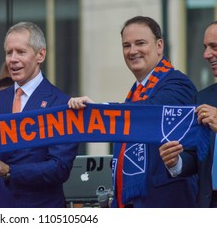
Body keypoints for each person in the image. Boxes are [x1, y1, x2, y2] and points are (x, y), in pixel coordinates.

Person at [68, 16, 198, 208]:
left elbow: (146, 115)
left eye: (140, 43)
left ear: (159, 46)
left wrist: (99, 111)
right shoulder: (135, 94)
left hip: (165, 205)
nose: (132, 51)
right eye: (126, 45)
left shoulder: (177, 84)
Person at [0, 21, 79, 207]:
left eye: (20, 52)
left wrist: (10, 171)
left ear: (40, 55)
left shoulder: (60, 104)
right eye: (9, 52)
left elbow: (59, 168)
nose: (12, 59)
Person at [160, 21, 217, 207]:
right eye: (205, 47)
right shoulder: (203, 97)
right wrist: (175, 161)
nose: (206, 54)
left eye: (214, 47)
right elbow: (195, 156)